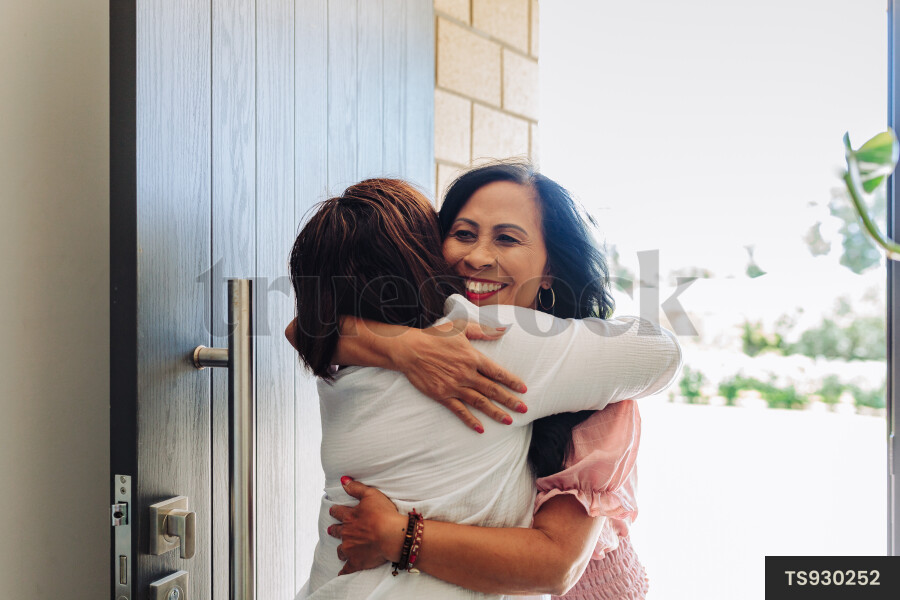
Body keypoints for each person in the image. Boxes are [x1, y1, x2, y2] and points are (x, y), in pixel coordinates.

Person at [287, 177, 680, 599]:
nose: (477, 257)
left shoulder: (350, 360)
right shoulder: (482, 336)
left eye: (507, 239)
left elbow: (304, 328)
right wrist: (407, 348)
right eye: (462, 234)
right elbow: (662, 351)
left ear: (550, 271)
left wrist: (397, 534)